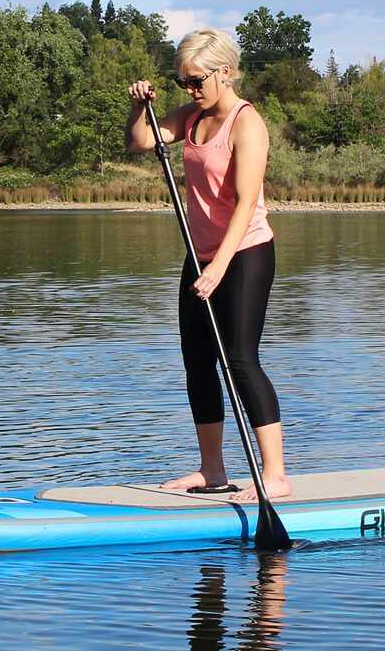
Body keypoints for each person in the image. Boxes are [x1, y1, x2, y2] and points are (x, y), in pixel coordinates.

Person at [126, 28, 291, 503]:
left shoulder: (248, 124)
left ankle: (276, 474)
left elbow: (245, 204)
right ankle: (212, 469)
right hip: (198, 255)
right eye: (183, 83)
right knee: (198, 363)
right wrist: (141, 105)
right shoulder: (190, 117)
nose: (191, 90)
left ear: (225, 72)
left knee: (239, 360)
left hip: (245, 254)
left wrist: (219, 267)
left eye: (197, 80)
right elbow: (141, 142)